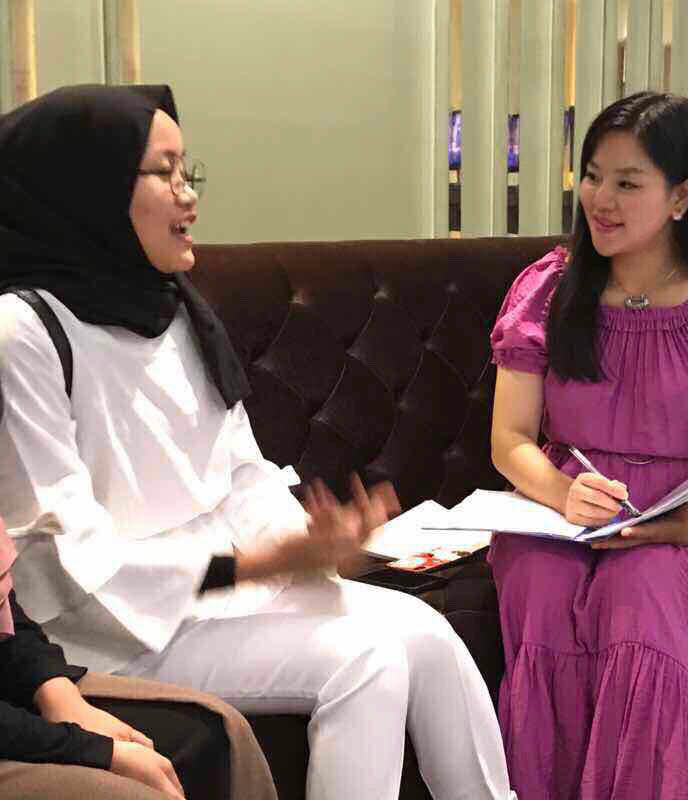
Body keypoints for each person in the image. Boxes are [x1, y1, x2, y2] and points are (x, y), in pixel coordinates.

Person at [0, 84, 513, 800]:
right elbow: (67, 562)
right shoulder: (23, 331)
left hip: (215, 599)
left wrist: (309, 543)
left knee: (427, 635)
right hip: (113, 630)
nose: (188, 195)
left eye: (188, 171)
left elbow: (239, 472)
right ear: (91, 189)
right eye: (164, 173)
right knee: (364, 658)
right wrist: (260, 563)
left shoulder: (173, 308)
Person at [488, 91, 688, 799]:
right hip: (563, 505)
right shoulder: (548, 289)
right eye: (594, 175)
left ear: (681, 196)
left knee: (642, 597)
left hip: (687, 513)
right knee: (542, 588)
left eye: (628, 183)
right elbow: (509, 440)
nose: (601, 199)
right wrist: (563, 493)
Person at [0, 516, 278, 800]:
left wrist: (60, 696)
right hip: (112, 630)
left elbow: (8, 605)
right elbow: (99, 562)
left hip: (20, 673)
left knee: (218, 732)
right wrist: (96, 751)